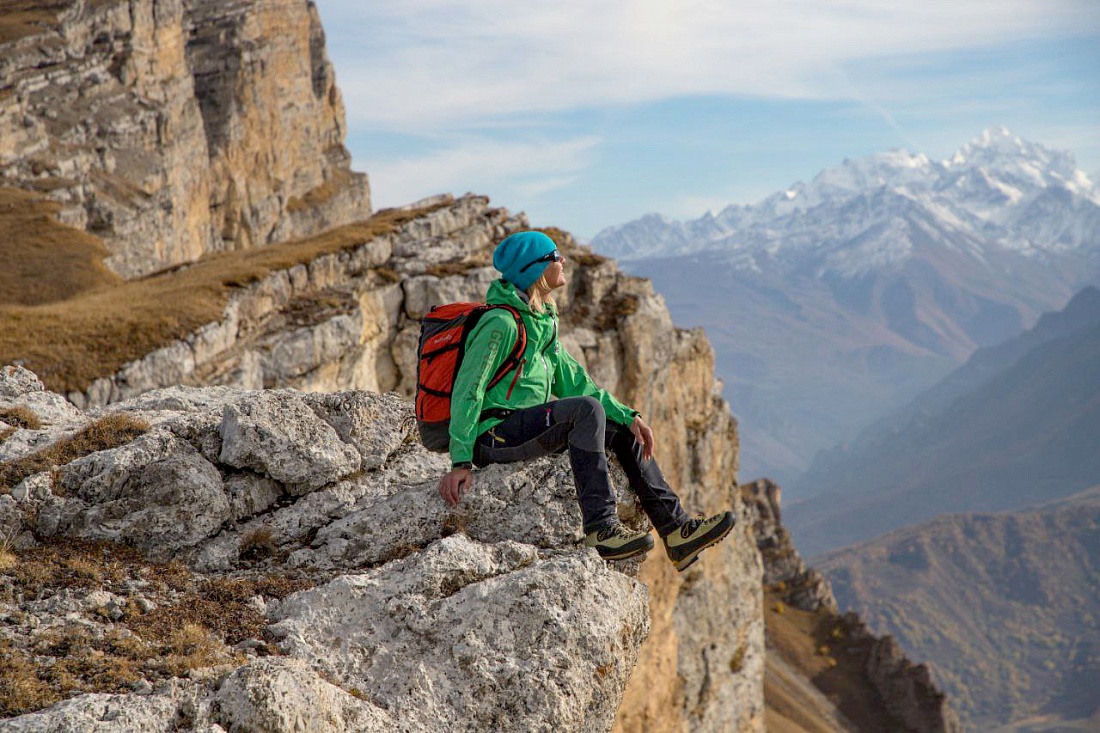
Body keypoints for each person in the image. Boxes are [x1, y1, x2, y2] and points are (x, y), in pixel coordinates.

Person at [437, 230, 734, 571]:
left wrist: (628, 415)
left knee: (621, 429)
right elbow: (467, 390)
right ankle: (602, 528)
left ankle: (677, 530)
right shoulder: (500, 323)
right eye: (554, 257)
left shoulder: (541, 320)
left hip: (524, 426)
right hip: (493, 434)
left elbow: (574, 381)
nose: (562, 261)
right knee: (585, 411)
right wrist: (460, 461)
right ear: (535, 269)